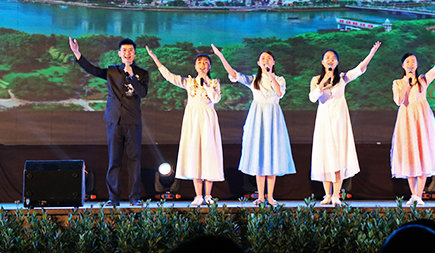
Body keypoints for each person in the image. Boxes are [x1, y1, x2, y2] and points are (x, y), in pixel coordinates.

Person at [68, 37, 149, 205]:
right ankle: (114, 198)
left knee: (134, 160)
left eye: (130, 51)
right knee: (114, 160)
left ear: (135, 54)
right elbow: (93, 70)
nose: (127, 53)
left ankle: (134, 198)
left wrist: (132, 75)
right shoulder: (112, 71)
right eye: (124, 50)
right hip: (114, 121)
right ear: (119, 53)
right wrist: (77, 53)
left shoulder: (142, 73)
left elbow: (142, 93)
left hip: (133, 121)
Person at [212, 45, 295, 206]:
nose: (266, 61)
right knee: (259, 154)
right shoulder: (253, 80)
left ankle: (270, 197)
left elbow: (279, 93)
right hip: (258, 118)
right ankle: (261, 197)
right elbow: (234, 74)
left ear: (273, 62)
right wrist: (221, 56)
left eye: (268, 58)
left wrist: (270, 74)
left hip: (273, 118)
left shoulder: (279, 79)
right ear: (258, 62)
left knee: (272, 155)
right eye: (263, 58)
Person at [146, 47, 224, 207]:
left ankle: (208, 195)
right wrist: (155, 59)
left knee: (209, 155)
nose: (202, 65)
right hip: (193, 120)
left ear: (210, 66)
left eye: (206, 62)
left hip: (208, 120)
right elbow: (170, 77)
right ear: (195, 66)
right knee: (195, 155)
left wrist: (207, 83)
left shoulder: (214, 83)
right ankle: (198, 195)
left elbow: (216, 99)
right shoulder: (189, 82)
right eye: (199, 62)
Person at [391, 34, 435, 206]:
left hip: (422, 120)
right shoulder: (398, 83)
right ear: (403, 65)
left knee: (423, 154)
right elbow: (400, 101)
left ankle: (419, 195)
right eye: (407, 62)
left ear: (417, 64)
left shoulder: (423, 79)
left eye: (413, 61)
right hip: (406, 120)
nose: (410, 64)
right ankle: (413, 194)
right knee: (409, 154)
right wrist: (408, 84)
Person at [309, 42, 381, 206]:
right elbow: (313, 98)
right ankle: (327, 195)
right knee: (325, 156)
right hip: (324, 123)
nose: (330, 60)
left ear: (337, 62)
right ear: (322, 62)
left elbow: (359, 69)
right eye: (327, 58)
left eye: (333, 58)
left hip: (339, 123)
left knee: (338, 156)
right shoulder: (316, 80)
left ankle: (336, 195)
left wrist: (371, 54)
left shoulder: (342, 78)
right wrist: (324, 80)